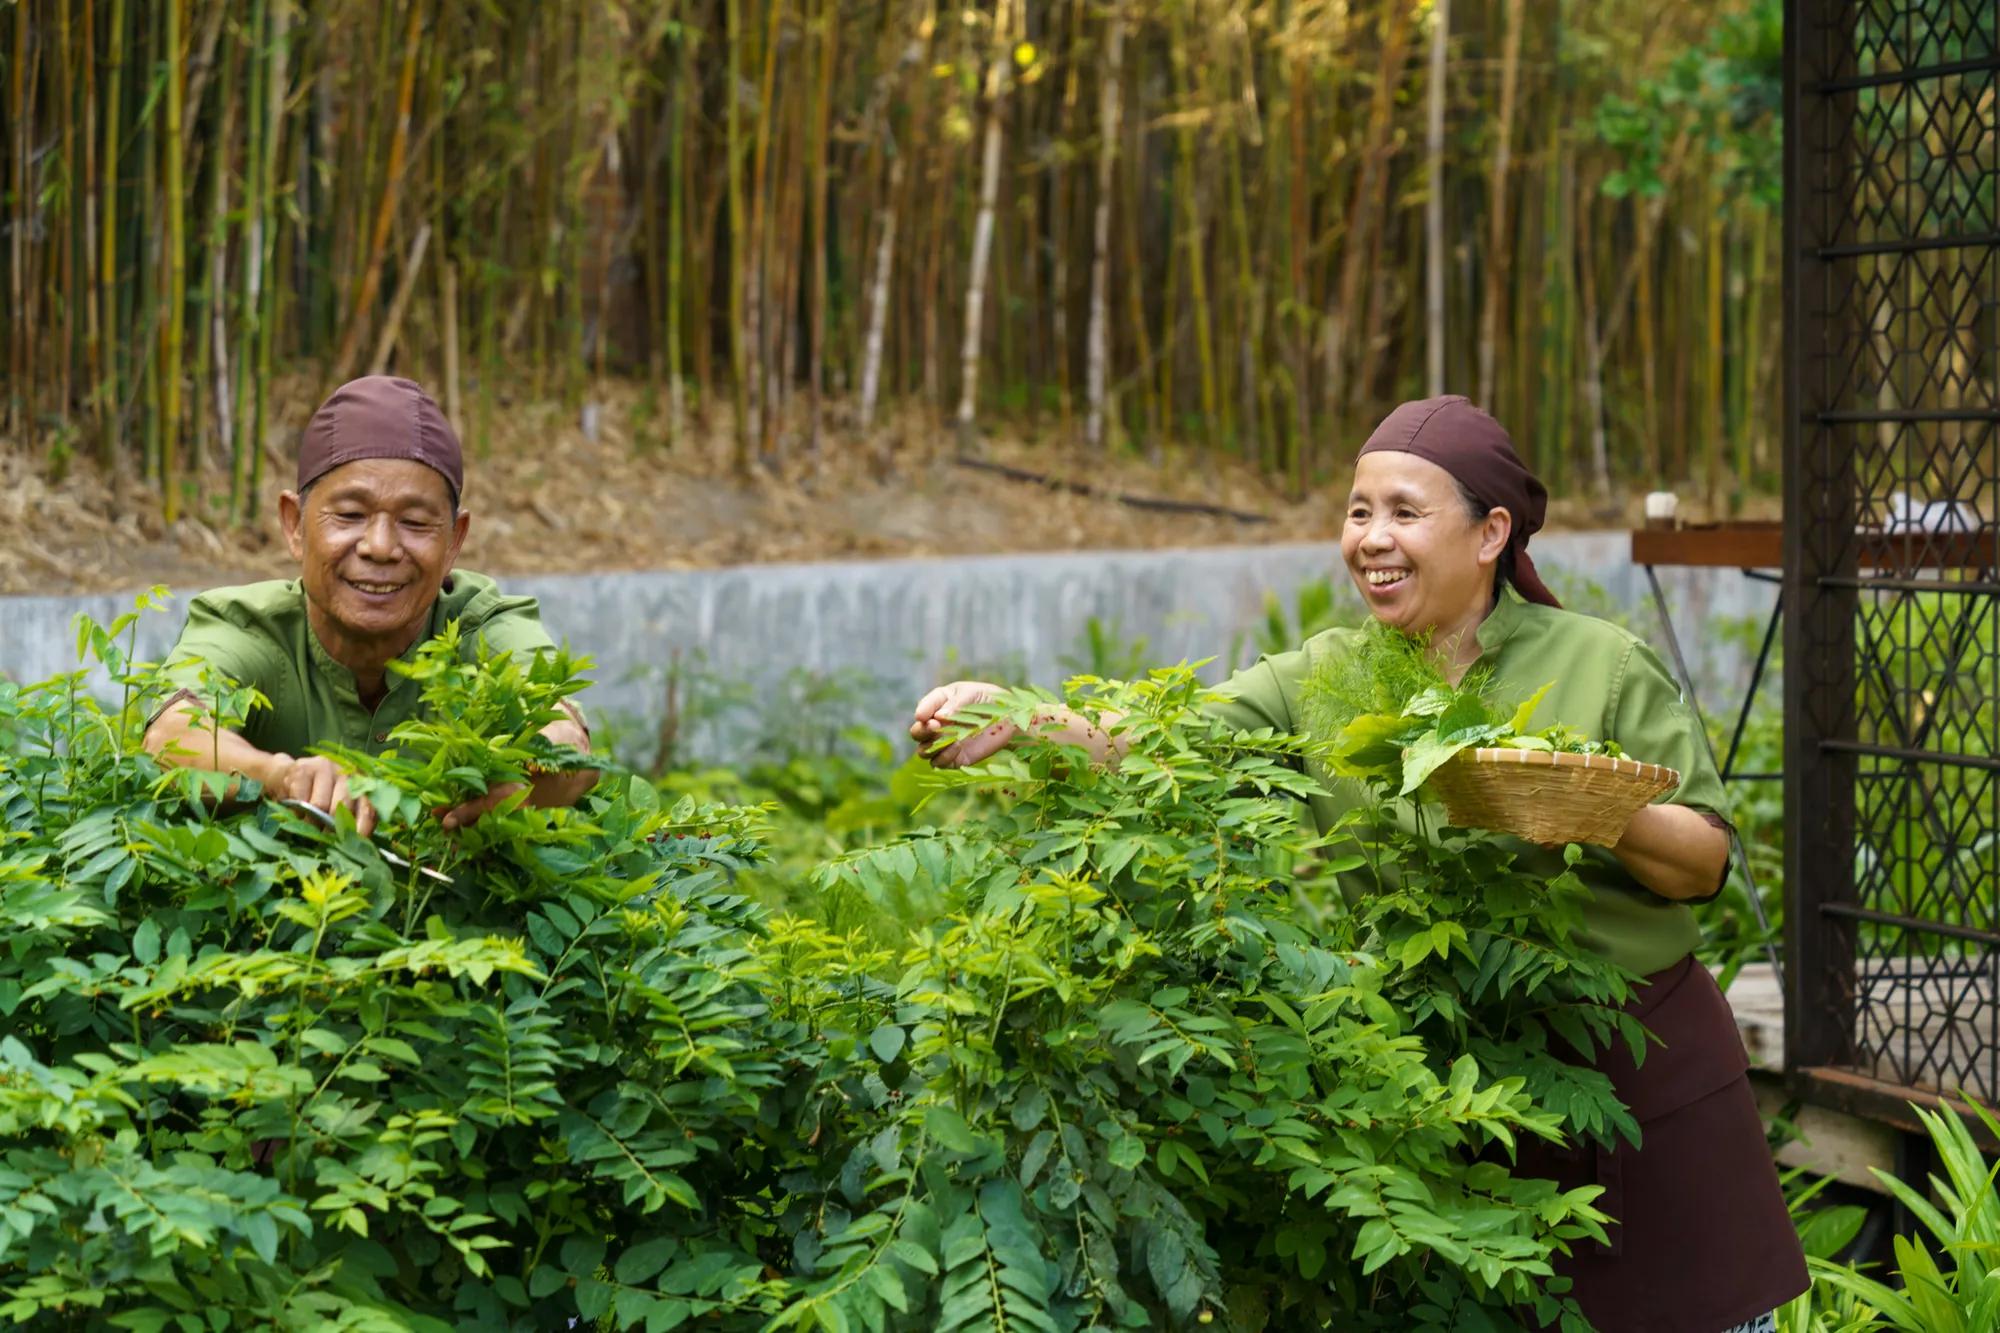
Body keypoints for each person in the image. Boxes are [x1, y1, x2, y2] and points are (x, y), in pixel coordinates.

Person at [910, 395, 1807, 1332]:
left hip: (1639, 1088)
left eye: (1405, 512)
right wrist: (1017, 716)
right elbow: (1153, 744)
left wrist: (1592, 808)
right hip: (1445, 1103)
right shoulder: (1320, 678)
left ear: (1491, 531)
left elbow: (1702, 861)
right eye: (1358, 511)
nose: (1372, 538)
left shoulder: (1601, 664)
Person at [143, 375, 597, 836]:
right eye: (350, 515)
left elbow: (565, 739)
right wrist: (280, 776)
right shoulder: (244, 626)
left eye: (415, 522)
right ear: (294, 525)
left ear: (454, 541)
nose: (380, 547)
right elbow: (171, 736)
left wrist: (530, 781)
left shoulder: (483, 624)